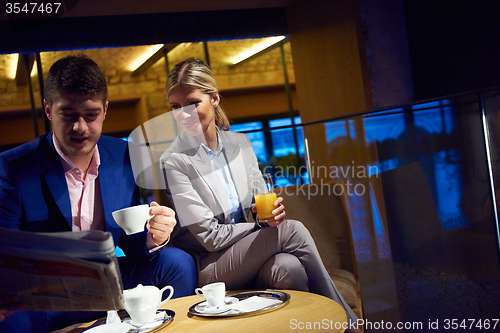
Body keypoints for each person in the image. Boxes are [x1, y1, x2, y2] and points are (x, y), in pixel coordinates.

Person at [0, 55, 197, 333]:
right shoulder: (13, 166)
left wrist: (154, 235)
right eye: (68, 116)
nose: (80, 128)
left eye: (91, 115)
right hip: (45, 296)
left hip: (108, 282)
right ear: (48, 109)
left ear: (105, 110)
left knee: (177, 263)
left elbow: (131, 237)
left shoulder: (124, 155)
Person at [160, 58, 360, 330]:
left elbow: (260, 201)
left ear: (214, 99)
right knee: (293, 231)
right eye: (176, 107)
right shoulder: (174, 161)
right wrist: (258, 225)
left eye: (193, 103)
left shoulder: (240, 144)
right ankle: (346, 322)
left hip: (250, 253)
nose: (185, 114)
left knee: (289, 268)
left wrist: (271, 212)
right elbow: (208, 236)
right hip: (209, 265)